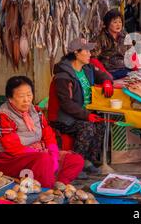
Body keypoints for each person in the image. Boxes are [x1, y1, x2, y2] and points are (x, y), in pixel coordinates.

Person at [0, 76, 84, 188]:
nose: (26, 100)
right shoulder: (3, 115)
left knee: (76, 160)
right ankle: (46, 190)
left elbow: (48, 134)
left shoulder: (35, 110)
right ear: (10, 98)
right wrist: (41, 154)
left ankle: (58, 186)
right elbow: (13, 147)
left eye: (29, 95)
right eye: (21, 96)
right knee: (44, 160)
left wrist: (54, 154)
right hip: (12, 160)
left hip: (40, 154)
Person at [48, 37, 113, 173]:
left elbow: (105, 76)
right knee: (87, 127)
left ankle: (88, 160)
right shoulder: (63, 76)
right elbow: (66, 103)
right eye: (87, 51)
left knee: (101, 125)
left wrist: (107, 82)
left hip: (82, 114)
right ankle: (74, 164)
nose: (90, 54)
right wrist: (86, 115)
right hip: (64, 117)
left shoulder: (87, 68)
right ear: (77, 53)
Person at [98, 10, 135, 80]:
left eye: (120, 22)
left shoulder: (125, 35)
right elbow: (93, 58)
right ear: (108, 23)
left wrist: (136, 68)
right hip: (109, 72)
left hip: (125, 69)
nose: (118, 25)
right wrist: (104, 73)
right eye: (115, 22)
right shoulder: (101, 37)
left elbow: (131, 53)